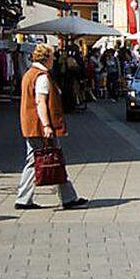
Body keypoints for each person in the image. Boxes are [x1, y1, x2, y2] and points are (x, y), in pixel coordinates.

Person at [15, 44, 86, 210]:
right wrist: (47, 125)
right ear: (46, 58)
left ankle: (25, 198)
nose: (53, 60)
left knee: (35, 160)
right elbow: (40, 102)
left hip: (31, 125)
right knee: (53, 160)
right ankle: (66, 198)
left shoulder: (29, 73)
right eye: (52, 57)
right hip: (40, 127)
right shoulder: (41, 76)